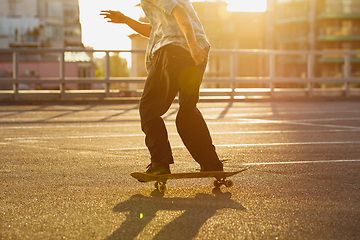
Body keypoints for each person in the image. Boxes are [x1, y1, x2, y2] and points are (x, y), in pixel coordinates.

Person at [101, 0, 223, 176]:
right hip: (196, 53)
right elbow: (156, 31)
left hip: (174, 51)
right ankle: (211, 163)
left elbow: (179, 11)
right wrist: (126, 20)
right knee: (187, 111)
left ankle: (160, 163)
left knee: (149, 109)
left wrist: (192, 45)